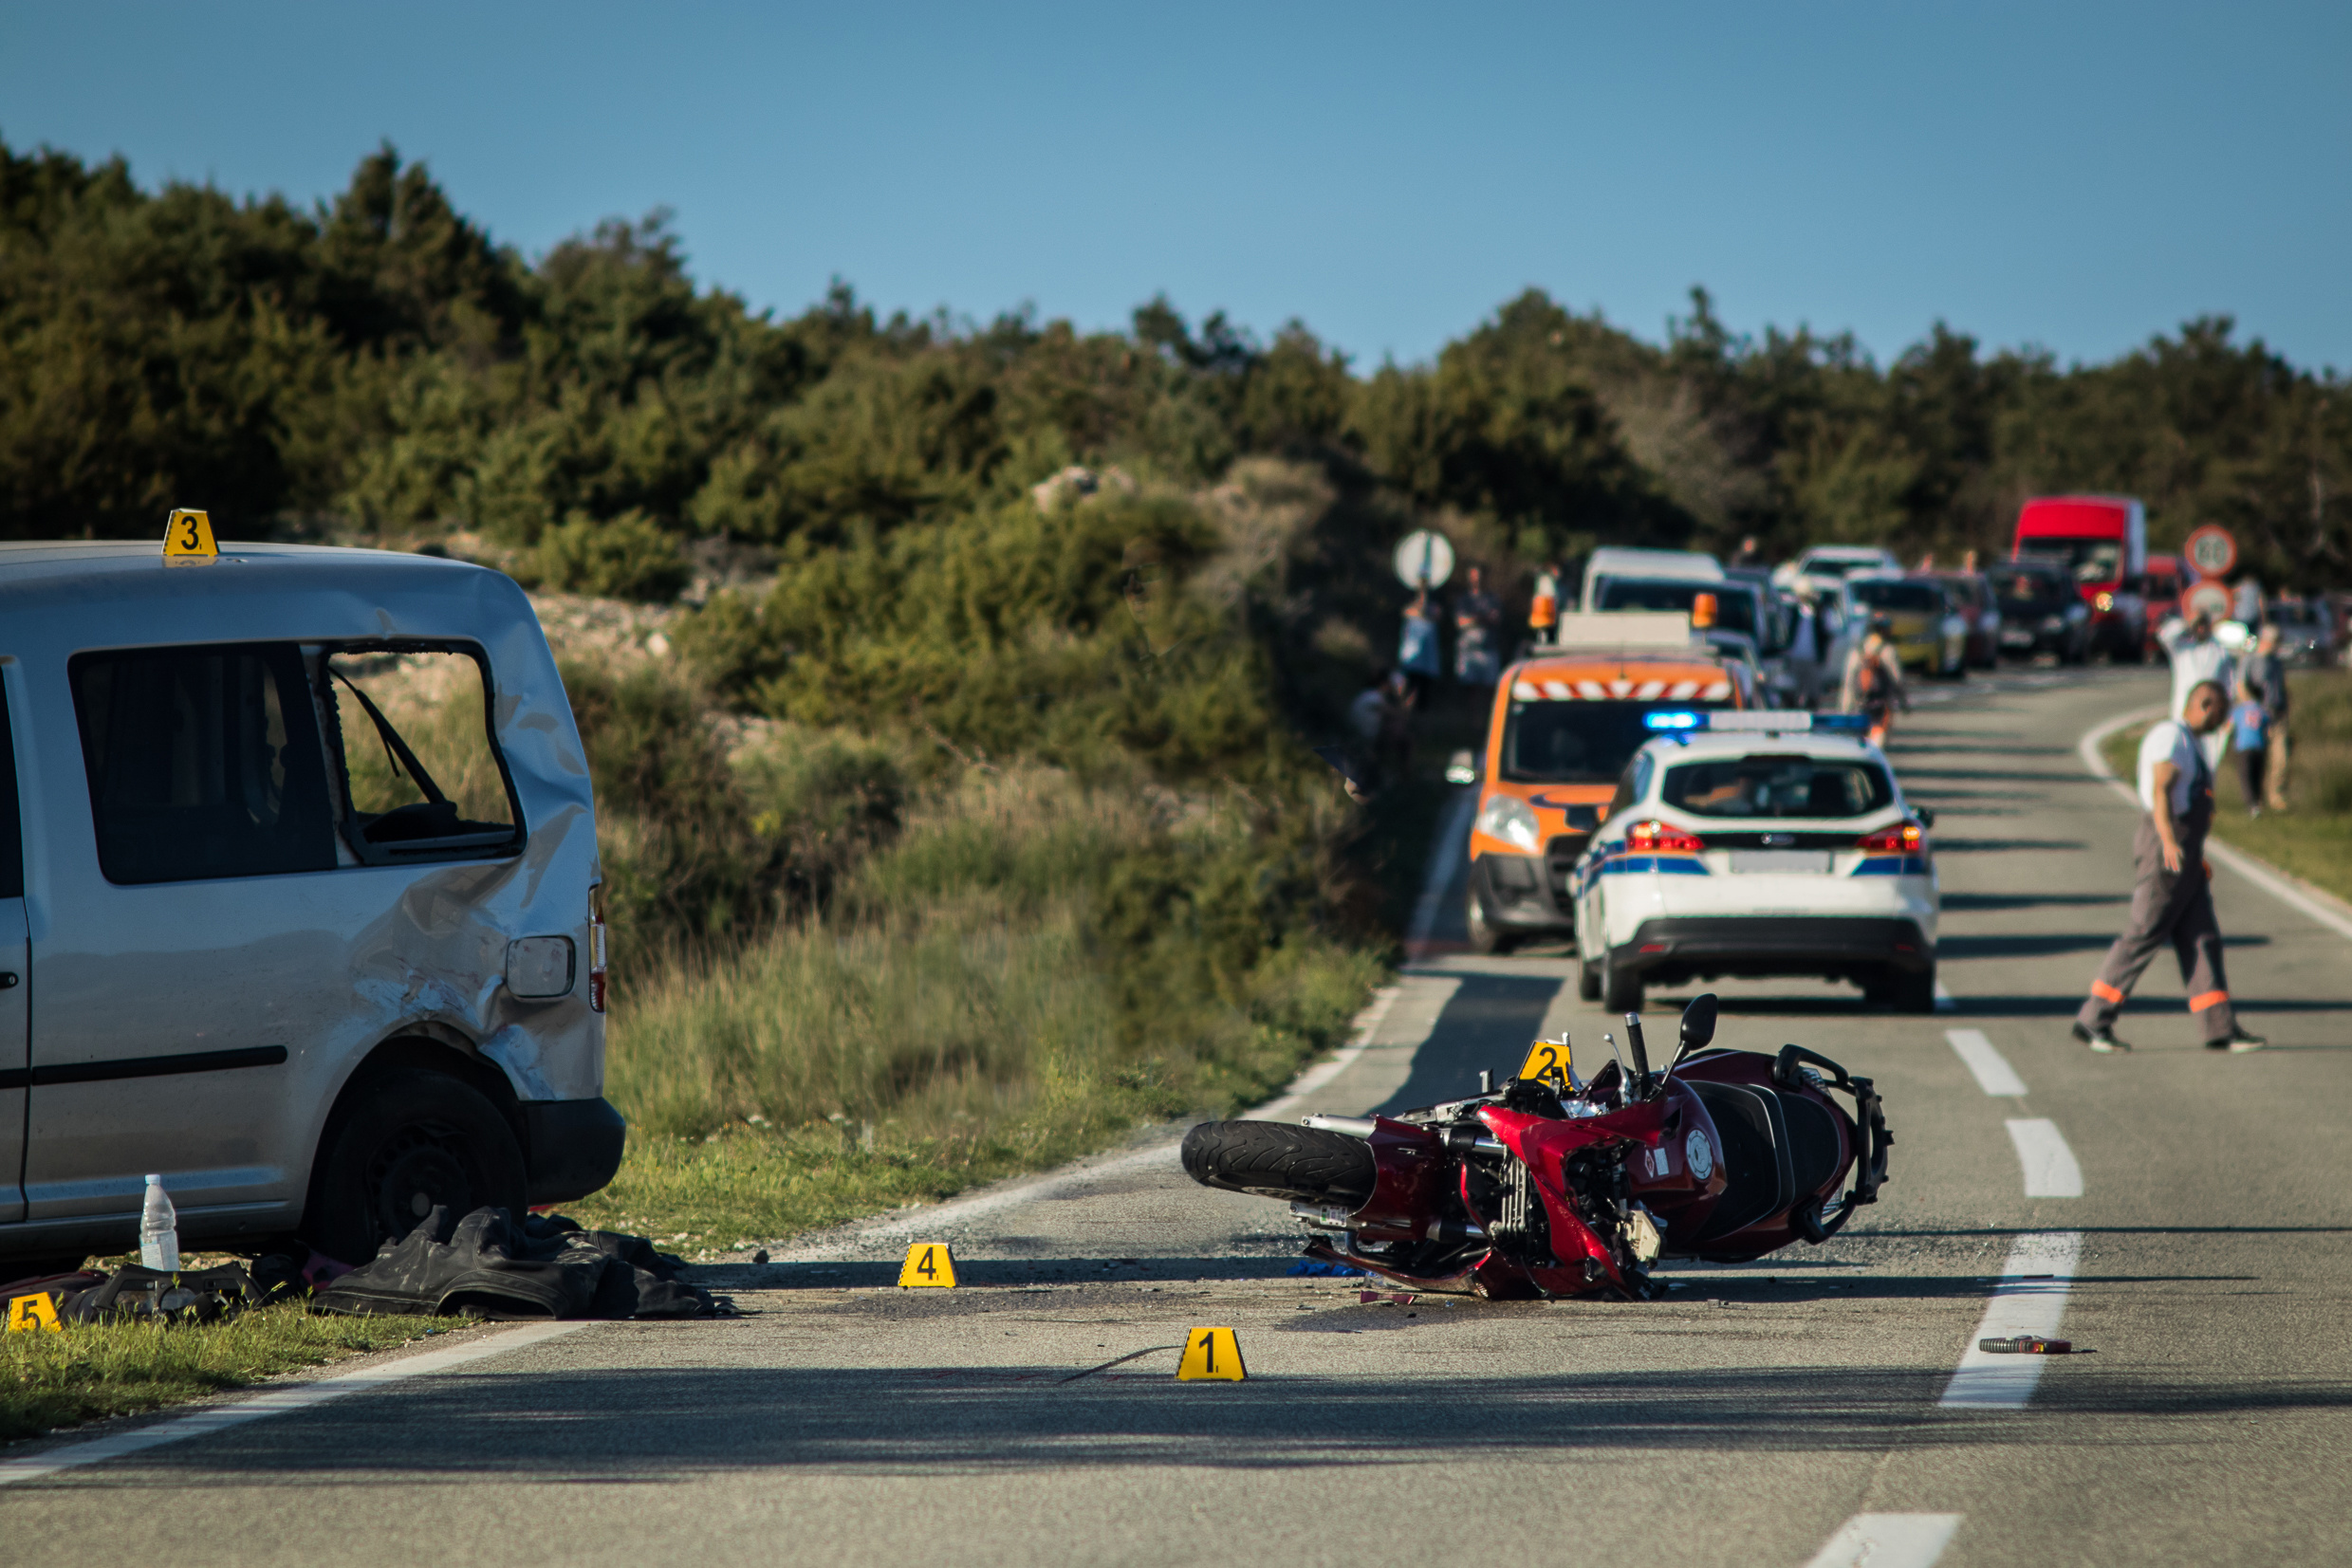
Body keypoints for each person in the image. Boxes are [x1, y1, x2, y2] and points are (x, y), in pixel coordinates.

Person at [2073, 680, 2265, 1054]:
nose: (2225, 719)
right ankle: (2093, 1019)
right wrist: (2170, 842)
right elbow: (2161, 788)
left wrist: (2193, 856)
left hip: (2185, 859)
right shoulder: (2171, 738)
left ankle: (2219, 1028)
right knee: (2143, 932)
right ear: (2206, 705)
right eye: (2223, 711)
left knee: (2202, 938)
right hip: (2167, 853)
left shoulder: (2191, 741)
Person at [2158, 612, 2235, 771]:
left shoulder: (2220, 652)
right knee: (2181, 754)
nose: (2201, 629)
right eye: (2198, 625)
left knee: (2209, 759)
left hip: (2211, 714)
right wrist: (2187, 622)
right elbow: (2164, 635)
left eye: (2204, 625)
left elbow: (2229, 686)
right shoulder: (2182, 649)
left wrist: (2228, 714)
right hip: (2184, 711)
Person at [2238, 620, 2290, 810]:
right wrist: (2252, 709)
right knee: (2256, 761)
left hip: (2277, 717)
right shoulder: (2250, 661)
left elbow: (2281, 689)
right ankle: (2255, 799)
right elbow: (2241, 687)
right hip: (2257, 719)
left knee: (2281, 759)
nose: (2277, 645)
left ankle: (2277, 797)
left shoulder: (2277, 663)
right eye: (2275, 641)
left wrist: (2285, 710)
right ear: (2265, 641)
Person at [1842, 618, 1909, 744]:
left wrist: (1845, 708)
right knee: (1878, 740)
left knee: (1860, 739)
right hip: (1881, 704)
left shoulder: (1858, 651)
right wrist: (1903, 702)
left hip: (1860, 702)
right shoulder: (1887, 650)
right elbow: (1898, 679)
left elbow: (1848, 682)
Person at [1452, 565, 1502, 700]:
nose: (1476, 580)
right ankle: (1474, 721)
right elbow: (1461, 622)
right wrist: (1480, 618)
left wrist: (1473, 619)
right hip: (1469, 650)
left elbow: (1495, 619)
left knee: (1490, 691)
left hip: (1489, 649)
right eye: (1473, 576)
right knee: (1471, 692)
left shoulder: (1492, 598)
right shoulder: (1464, 599)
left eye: (1478, 576)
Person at [1398, 589, 1441, 701]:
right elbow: (1407, 612)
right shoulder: (1410, 609)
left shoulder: (1434, 609)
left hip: (1427, 657)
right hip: (1411, 656)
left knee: (1423, 687)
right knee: (1409, 684)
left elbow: (1436, 615)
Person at [2229, 693, 2269, 816]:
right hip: (2259, 746)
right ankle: (2258, 803)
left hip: (2244, 747)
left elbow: (2229, 727)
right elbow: (2269, 729)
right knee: (2257, 776)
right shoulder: (2262, 710)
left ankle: (2252, 805)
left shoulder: (2239, 710)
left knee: (2246, 777)